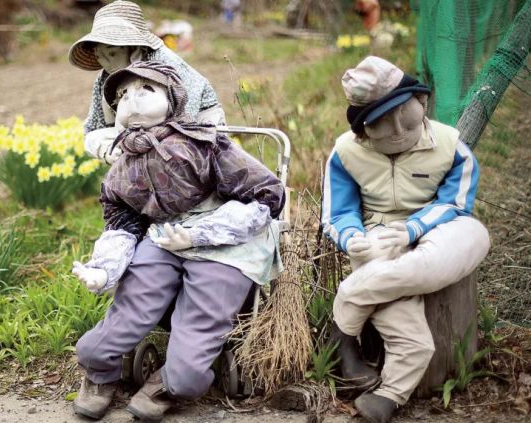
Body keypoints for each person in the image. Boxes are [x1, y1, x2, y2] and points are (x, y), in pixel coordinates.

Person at [70, 61, 284, 422]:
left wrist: (201, 233)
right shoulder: (124, 165)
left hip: (226, 239)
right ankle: (99, 368)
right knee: (130, 302)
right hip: (165, 235)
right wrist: (104, 269)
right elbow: (122, 222)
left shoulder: (205, 143)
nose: (131, 100)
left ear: (172, 99)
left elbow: (266, 195)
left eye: (145, 90)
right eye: (122, 95)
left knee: (200, 328)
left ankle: (174, 379)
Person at [322, 56, 490, 423]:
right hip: (378, 235)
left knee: (475, 234)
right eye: (383, 122)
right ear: (364, 127)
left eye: (406, 116)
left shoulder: (451, 145)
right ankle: (389, 395)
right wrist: (351, 239)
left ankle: (346, 313)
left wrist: (415, 228)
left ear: (423, 103)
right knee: (413, 340)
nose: (398, 130)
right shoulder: (346, 153)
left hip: (440, 229)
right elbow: (337, 213)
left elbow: (456, 202)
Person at [68, 0, 225, 165]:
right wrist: (107, 148)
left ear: (134, 49)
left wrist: (157, 138)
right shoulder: (104, 79)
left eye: (112, 54)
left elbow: (187, 112)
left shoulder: (165, 62)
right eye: (100, 56)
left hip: (193, 124)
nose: (106, 63)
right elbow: (93, 128)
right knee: (94, 139)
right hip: (138, 129)